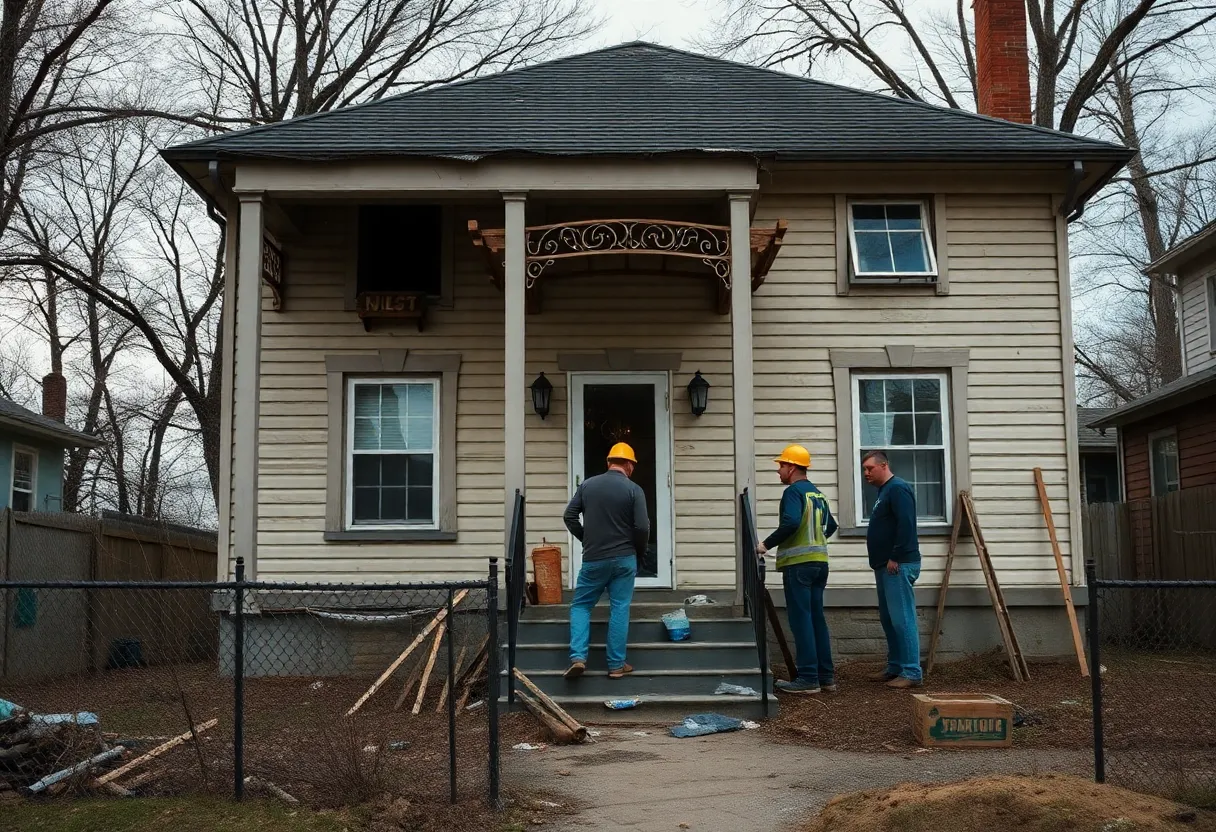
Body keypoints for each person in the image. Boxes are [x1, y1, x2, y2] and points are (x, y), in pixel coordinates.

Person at [562, 442, 650, 681]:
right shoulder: (634, 490)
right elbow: (642, 526)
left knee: (581, 606)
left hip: (594, 559)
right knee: (619, 608)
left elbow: (569, 515)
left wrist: (585, 538)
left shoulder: (588, 485)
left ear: (609, 462)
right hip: (624, 560)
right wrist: (639, 553)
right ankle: (616, 666)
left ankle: (578, 658)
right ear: (630, 465)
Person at [756, 444, 838, 695]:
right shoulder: (818, 494)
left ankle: (808, 679)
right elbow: (831, 526)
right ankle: (826, 677)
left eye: (781, 466)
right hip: (819, 563)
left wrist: (765, 545)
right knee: (816, 619)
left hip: (799, 567)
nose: (779, 471)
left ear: (791, 467)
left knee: (801, 620)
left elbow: (791, 522)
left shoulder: (793, 492)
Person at [863, 450, 923, 689]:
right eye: (864, 469)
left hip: (898, 563)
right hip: (884, 565)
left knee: (902, 619)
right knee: (889, 618)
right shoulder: (883, 492)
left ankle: (912, 671)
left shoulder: (897, 488)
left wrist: (895, 556)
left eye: (870, 468)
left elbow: (906, 524)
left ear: (884, 465)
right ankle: (896, 666)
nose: (866, 473)